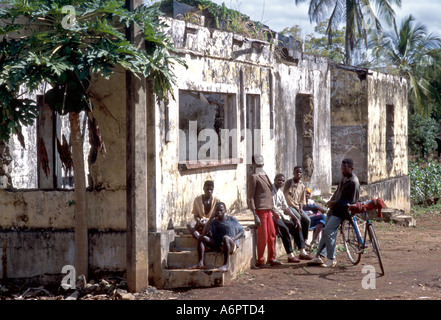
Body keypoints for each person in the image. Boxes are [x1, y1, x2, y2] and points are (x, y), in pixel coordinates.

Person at [309, 158, 360, 268]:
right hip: (335, 209)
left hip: (343, 212)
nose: (343, 171)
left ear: (352, 169)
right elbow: (337, 192)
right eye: (342, 168)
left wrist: (336, 202)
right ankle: (319, 255)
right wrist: (331, 201)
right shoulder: (344, 178)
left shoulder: (353, 183)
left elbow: (351, 202)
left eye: (346, 169)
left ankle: (331, 258)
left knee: (328, 230)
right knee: (325, 229)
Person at [247, 154, 283, 267]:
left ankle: (271, 258)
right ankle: (261, 260)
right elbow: (250, 197)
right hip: (260, 210)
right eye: (258, 162)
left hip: (268, 209)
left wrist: (273, 211)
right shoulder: (253, 177)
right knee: (263, 236)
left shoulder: (264, 174)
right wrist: (254, 214)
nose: (261, 164)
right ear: (253, 164)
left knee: (272, 234)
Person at [189, 202, 245, 272]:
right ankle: (200, 263)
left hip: (230, 245)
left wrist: (233, 239)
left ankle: (226, 264)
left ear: (225, 211)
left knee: (226, 238)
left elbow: (242, 231)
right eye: (217, 210)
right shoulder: (214, 222)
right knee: (201, 237)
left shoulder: (232, 219)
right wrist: (210, 219)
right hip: (219, 245)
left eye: (221, 210)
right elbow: (204, 233)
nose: (219, 212)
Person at [272, 174, 313, 262]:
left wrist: (296, 219)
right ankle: (290, 255)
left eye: (282, 181)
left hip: (281, 214)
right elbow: (271, 207)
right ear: (275, 180)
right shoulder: (271, 190)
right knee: (284, 229)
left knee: (296, 225)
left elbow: (285, 207)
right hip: (273, 215)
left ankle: (302, 251)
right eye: (279, 180)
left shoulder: (280, 192)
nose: (281, 182)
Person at [283, 166, 311, 243]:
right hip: (289, 207)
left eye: (300, 172)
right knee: (297, 217)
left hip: (297, 208)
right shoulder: (288, 183)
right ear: (293, 173)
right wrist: (296, 207)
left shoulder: (302, 186)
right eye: (297, 172)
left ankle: (304, 239)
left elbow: (302, 200)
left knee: (307, 220)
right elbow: (286, 196)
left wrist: (301, 208)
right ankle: (298, 239)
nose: (298, 174)